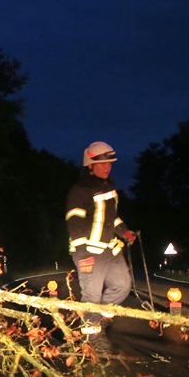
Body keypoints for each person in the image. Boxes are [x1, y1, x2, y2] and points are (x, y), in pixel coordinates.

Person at [66, 141, 136, 350]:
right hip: (88, 252)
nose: (107, 167)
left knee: (122, 285)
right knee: (92, 296)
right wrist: (82, 255)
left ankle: (99, 321)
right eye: (103, 164)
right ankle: (91, 340)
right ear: (90, 165)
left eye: (110, 163)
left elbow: (111, 217)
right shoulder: (80, 190)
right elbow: (74, 222)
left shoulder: (109, 186)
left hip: (110, 249)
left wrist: (124, 231)